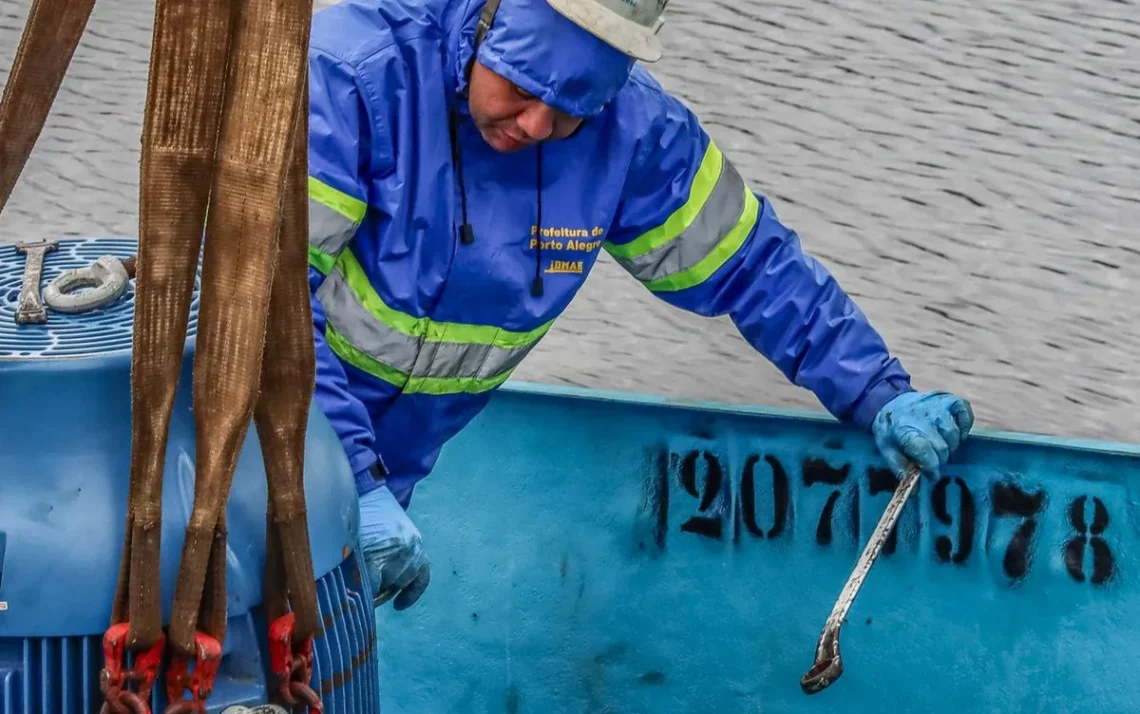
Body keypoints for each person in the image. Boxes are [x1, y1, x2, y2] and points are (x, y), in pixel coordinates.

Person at [305, 0, 975, 610]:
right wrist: (349, 481)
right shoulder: (352, 74)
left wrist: (878, 391)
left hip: (377, 492)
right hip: (248, 448)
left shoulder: (632, 135)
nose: (535, 124)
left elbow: (754, 267)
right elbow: (258, 309)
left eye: (571, 108)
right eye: (520, 86)